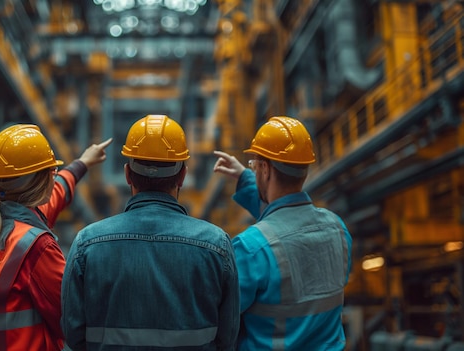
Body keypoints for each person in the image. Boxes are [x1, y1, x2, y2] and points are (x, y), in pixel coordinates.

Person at [61, 114, 240, 350]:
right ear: (182, 176)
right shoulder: (216, 245)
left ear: (127, 174)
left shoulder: (87, 244)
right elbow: (228, 337)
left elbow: (73, 334)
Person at [0, 123, 112, 351]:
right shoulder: (36, 247)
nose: (55, 174)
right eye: (51, 170)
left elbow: (57, 193)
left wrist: (82, 163)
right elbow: (73, 321)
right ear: (40, 180)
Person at [213, 116, 353, 350]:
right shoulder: (337, 229)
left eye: (255, 166)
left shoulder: (250, 248)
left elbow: (220, 320)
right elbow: (283, 214)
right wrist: (245, 177)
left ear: (265, 169)